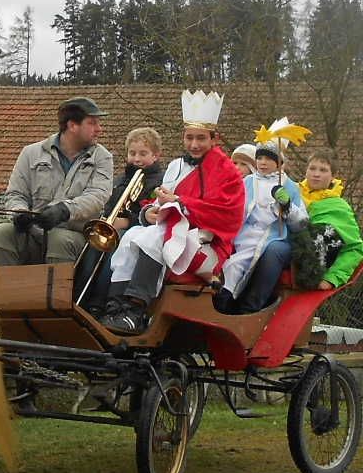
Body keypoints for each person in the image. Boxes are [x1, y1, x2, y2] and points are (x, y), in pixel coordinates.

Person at [99, 90, 246, 335]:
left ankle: (136, 310)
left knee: (154, 239)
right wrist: (148, 212)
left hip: (206, 244)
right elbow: (157, 199)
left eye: (201, 138)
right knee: (132, 235)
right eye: (189, 137)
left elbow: (226, 214)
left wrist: (179, 202)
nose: (194, 144)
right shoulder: (177, 165)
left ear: (214, 138)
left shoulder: (227, 173)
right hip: (171, 229)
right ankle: (116, 306)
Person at [0, 97, 113, 265]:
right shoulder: (30, 153)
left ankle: (55, 291)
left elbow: (98, 197)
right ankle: (5, 290)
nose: (99, 129)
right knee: (2, 232)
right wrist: (19, 212)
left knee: (59, 239)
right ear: (72, 126)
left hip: (75, 236)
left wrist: (65, 210)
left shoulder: (102, 158)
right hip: (33, 234)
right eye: (92, 123)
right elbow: (16, 193)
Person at [243, 150, 363, 305]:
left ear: (333, 176)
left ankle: (252, 306)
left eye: (323, 170)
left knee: (274, 250)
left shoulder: (340, 207)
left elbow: (355, 248)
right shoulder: (291, 191)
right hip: (273, 238)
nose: (316, 174)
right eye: (312, 169)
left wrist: (332, 278)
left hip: (304, 259)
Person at [216, 126, 308, 314]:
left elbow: (301, 224)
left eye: (268, 159)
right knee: (231, 264)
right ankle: (222, 303)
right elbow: (231, 209)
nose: (263, 163)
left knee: (250, 260)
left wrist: (288, 206)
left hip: (273, 236)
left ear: (279, 162)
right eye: (260, 158)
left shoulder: (290, 186)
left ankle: (246, 307)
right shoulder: (247, 182)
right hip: (244, 235)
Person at [81, 127, 165, 314]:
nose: (136, 158)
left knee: (114, 249)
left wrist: (128, 222)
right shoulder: (120, 180)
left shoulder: (160, 181)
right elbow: (110, 205)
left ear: (156, 155)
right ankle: (83, 297)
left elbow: (154, 214)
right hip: (113, 226)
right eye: (132, 153)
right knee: (92, 246)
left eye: (143, 153)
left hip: (137, 230)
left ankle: (101, 300)